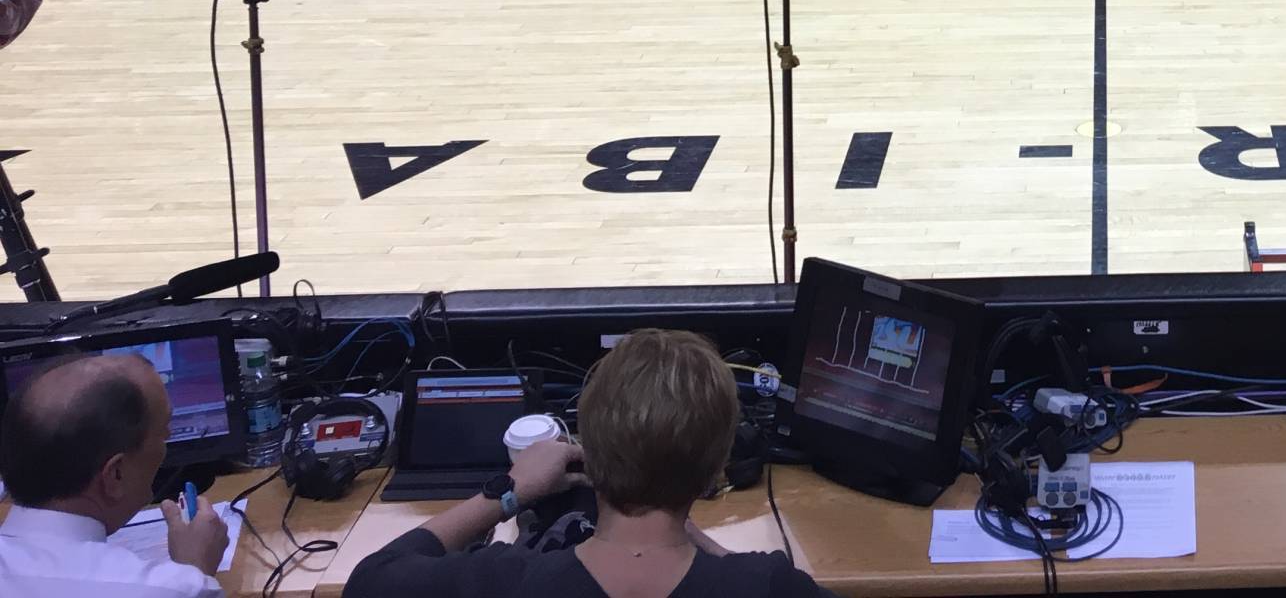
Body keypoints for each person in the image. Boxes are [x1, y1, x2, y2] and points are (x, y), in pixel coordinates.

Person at [349, 329, 823, 598]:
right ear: (716, 470)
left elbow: (370, 580)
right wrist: (697, 537)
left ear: (588, 451)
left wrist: (508, 491)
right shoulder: (769, 587)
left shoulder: (503, 582)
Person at [0, 352, 232, 596]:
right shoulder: (169, 589)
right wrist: (194, 572)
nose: (168, 442)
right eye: (164, 433)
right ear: (115, 475)